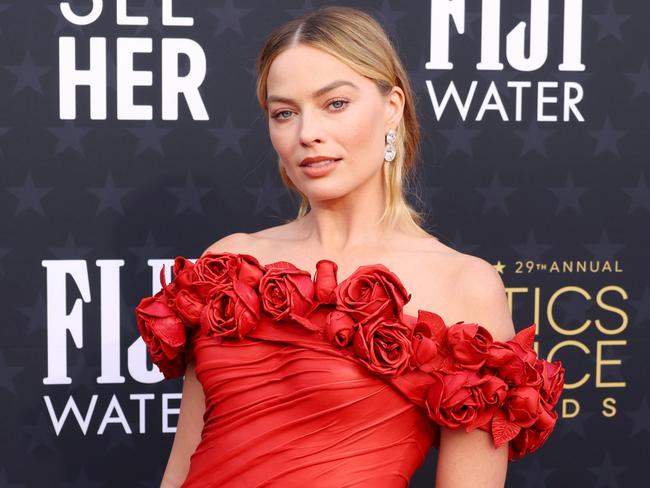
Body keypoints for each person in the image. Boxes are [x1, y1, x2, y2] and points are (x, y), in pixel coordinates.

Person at [135, 6, 565, 488]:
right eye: (284, 113)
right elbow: (181, 468)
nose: (307, 133)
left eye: (334, 103)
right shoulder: (228, 266)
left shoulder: (464, 285)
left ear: (392, 108)